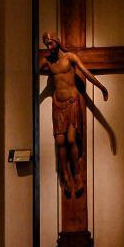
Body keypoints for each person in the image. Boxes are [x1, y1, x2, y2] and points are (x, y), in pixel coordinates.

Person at [39, 31, 109, 202]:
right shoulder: (47, 61)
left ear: (57, 41)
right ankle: (64, 174)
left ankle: (76, 174)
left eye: (51, 43)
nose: (49, 47)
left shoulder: (69, 57)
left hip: (72, 102)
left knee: (71, 140)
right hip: (58, 104)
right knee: (60, 142)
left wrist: (102, 87)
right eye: (46, 44)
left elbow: (86, 72)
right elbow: (32, 71)